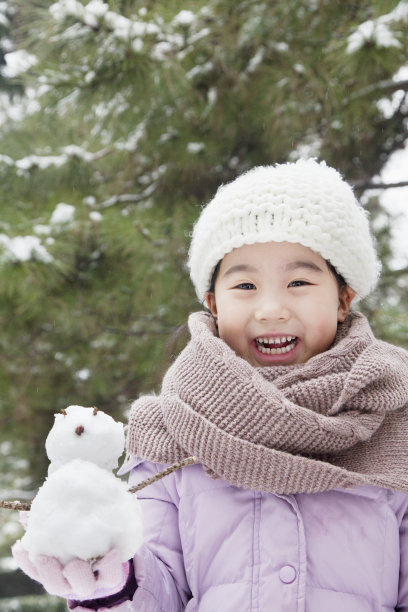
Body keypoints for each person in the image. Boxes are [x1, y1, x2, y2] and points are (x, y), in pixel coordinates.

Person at [12, 159, 408, 611]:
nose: (271, 308)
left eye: (298, 281)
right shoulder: (172, 430)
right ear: (213, 302)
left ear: (342, 298)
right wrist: (111, 581)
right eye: (245, 285)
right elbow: (156, 583)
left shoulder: (395, 420)